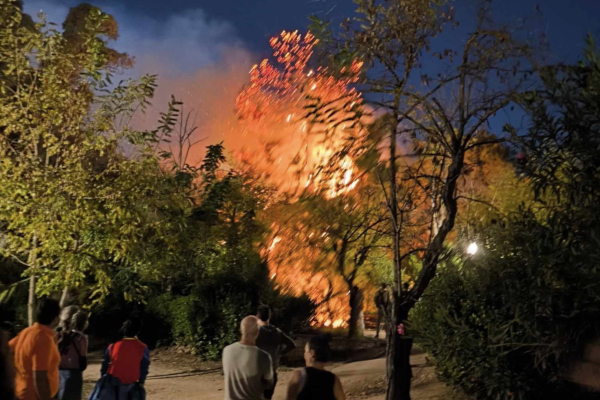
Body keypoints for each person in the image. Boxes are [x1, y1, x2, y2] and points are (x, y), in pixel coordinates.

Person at [9, 298, 61, 400]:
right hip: (34, 395)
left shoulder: (27, 331)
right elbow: (40, 377)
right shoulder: (43, 338)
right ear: (56, 319)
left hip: (22, 391)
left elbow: (7, 350)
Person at [222, 316, 273, 400]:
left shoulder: (227, 350)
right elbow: (269, 384)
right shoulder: (263, 356)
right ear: (258, 332)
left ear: (241, 330)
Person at [98, 318, 149, 399]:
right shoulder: (142, 347)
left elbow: (104, 365)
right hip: (131, 384)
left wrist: (104, 378)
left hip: (113, 385)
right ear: (138, 331)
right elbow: (144, 366)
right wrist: (141, 381)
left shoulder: (113, 346)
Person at [285, 335, 345, 400]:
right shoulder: (334, 380)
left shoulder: (299, 376)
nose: (304, 355)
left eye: (305, 351)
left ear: (311, 353)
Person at [255, 305, 296, 399]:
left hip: (258, 373)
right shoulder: (277, 332)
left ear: (257, 316)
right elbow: (292, 345)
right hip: (272, 373)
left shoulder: (256, 332)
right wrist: (280, 354)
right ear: (269, 316)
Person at [56, 312, 88, 400]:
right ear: (84, 323)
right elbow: (83, 361)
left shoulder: (61, 335)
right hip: (74, 374)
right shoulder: (82, 338)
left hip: (59, 373)